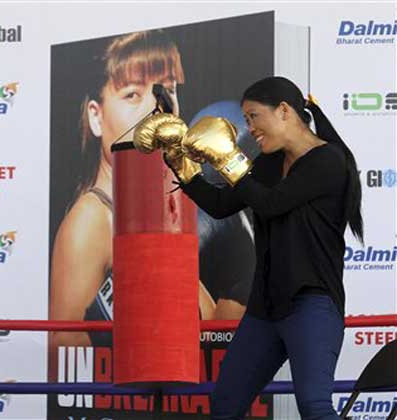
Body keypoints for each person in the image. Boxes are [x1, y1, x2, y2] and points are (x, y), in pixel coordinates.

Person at [137, 76, 363, 419]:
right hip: (265, 308)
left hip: (311, 302)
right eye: (245, 120)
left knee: (315, 408)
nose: (250, 128)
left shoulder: (327, 161)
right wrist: (180, 164)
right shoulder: (270, 163)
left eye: (254, 116)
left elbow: (272, 203)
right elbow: (221, 205)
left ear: (284, 111)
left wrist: (228, 157)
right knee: (226, 404)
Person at [49, 30, 254, 353]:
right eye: (132, 94)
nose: (154, 107)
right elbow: (66, 353)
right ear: (96, 115)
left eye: (166, 90)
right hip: (126, 400)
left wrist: (241, 285)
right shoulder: (93, 218)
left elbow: (205, 342)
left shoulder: (168, 213)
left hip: (174, 399)